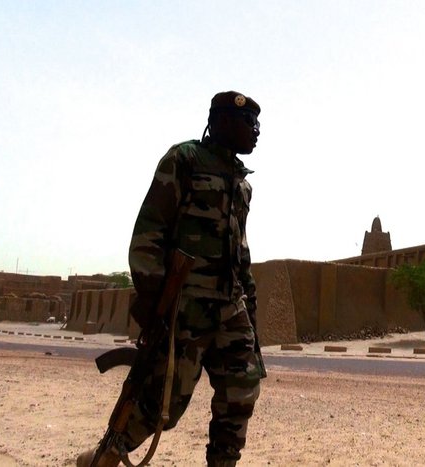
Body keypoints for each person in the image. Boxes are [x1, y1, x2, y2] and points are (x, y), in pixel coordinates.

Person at [77, 91, 266, 467]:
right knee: (167, 402)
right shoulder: (185, 159)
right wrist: (152, 299)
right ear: (222, 121)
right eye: (249, 123)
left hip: (231, 307)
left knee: (242, 389)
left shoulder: (242, 184)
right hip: (185, 306)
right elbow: (149, 231)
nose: (257, 131)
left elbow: (239, 250)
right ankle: (107, 455)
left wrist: (250, 302)